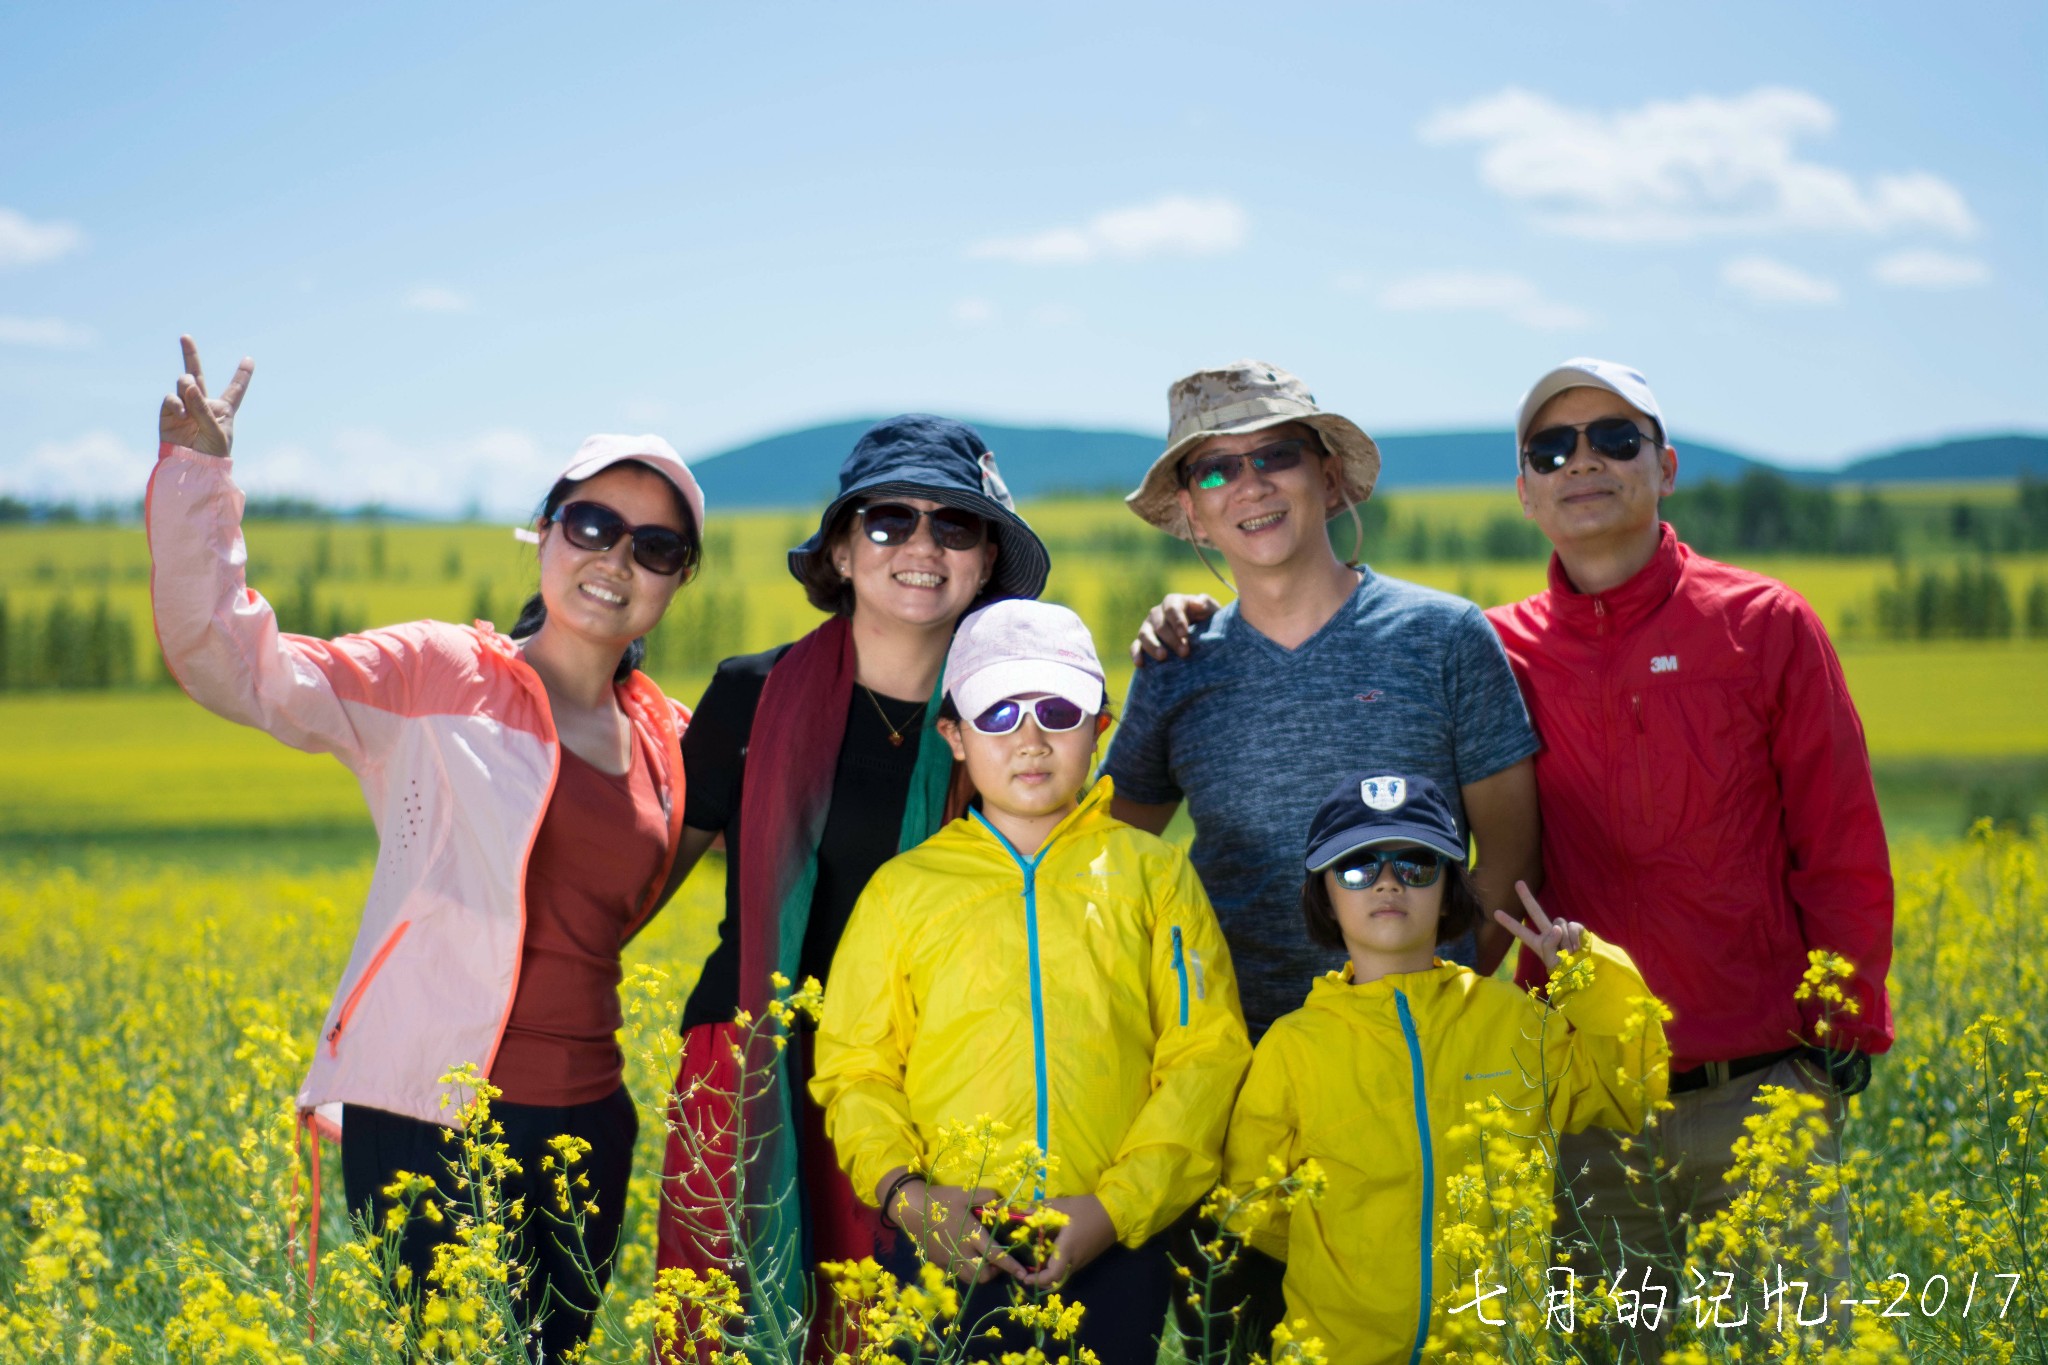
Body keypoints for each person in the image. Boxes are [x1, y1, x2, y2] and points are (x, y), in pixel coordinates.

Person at [148, 338, 704, 1356]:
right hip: (421, 1114)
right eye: (591, 524)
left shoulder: (670, 738)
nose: (616, 560)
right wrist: (198, 477)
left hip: (587, 1126)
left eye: (655, 547)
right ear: (543, 532)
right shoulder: (437, 673)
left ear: (676, 581)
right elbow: (234, 663)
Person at [1111, 361, 1545, 1337]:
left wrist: (1413, 1018)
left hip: (1414, 1094)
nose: (1250, 484)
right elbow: (1106, 863)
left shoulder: (1441, 637)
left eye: (1275, 456)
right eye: (1215, 470)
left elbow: (1508, 857)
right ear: (1189, 510)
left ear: (1328, 478)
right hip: (1232, 1103)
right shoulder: (1176, 667)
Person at [1480, 358, 1895, 1339]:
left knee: (1794, 1353)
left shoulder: (1764, 624)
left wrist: (1838, 1044)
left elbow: (1836, 844)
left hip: (1761, 1096)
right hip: (1589, 1120)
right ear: (1524, 492)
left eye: (1613, 439)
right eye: (1551, 448)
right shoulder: (1494, 652)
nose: (1581, 462)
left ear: (1662, 466)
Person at [653, 416, 1050, 1358]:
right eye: (888, 521)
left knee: (889, 1332)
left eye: (955, 525)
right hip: (749, 1060)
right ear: (841, 545)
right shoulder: (750, 693)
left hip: (924, 1082)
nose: (921, 546)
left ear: (987, 557)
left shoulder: (1010, 723)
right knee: (724, 1328)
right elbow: (644, 872)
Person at [811, 600, 1252, 1361]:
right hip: (947, 1242)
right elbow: (856, 1069)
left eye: (1058, 709)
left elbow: (1204, 1059)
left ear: (1101, 725)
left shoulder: (1155, 874)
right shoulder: (901, 889)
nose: (1031, 738)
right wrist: (910, 1200)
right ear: (953, 735)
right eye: (997, 713)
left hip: (1115, 1240)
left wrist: (1115, 1210)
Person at [1220, 772, 1667, 1365]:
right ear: (1324, 894)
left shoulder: (1514, 1020)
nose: (1386, 884)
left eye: (1416, 865)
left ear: (1451, 890)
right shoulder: (1292, 1045)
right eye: (1356, 868)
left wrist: (1588, 978)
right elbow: (1257, 1205)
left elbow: (1628, 1091)